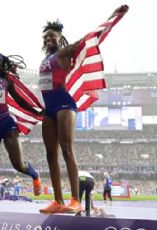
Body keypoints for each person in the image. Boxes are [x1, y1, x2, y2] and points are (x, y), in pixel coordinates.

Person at [38, 5, 128, 214]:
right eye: (46, 37)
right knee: (50, 155)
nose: (48, 40)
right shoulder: (44, 60)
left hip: (64, 104)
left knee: (66, 149)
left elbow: (90, 38)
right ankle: (58, 201)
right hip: (48, 108)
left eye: (52, 37)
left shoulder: (64, 52)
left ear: (60, 38)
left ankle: (75, 200)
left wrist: (113, 17)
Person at [0, 53, 42, 198]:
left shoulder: (5, 81)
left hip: (7, 126)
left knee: (19, 165)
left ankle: (35, 176)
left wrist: (36, 111)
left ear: (1, 65)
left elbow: (19, 100)